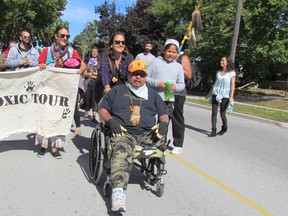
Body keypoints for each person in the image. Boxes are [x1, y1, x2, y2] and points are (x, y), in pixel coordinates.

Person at [98, 60, 169, 212]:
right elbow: (102, 109)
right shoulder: (117, 91)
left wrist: (163, 123)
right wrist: (111, 121)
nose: (138, 77)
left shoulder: (153, 95)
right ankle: (118, 192)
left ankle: (155, 172)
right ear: (128, 75)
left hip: (147, 133)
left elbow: (164, 114)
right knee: (122, 149)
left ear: (145, 77)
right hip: (123, 132)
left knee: (162, 142)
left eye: (141, 75)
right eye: (134, 74)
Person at [37, 26, 87, 158]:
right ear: (56, 36)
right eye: (62, 35)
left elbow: (83, 65)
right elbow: (39, 65)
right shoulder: (46, 51)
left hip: (63, 90)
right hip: (47, 89)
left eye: (67, 36)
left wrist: (80, 70)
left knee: (58, 118)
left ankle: (54, 147)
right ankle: (43, 144)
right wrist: (42, 65)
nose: (65, 38)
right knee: (45, 116)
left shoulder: (71, 51)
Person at [146, 39, 185, 147]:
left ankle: (161, 144)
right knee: (151, 121)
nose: (171, 54)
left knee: (164, 123)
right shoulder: (155, 62)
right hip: (154, 97)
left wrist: (175, 87)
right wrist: (157, 83)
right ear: (164, 51)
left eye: (174, 52)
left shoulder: (178, 67)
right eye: (169, 51)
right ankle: (149, 140)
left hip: (168, 99)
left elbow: (182, 85)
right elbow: (146, 78)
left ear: (177, 54)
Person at [205, 56, 236, 137]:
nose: (221, 61)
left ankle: (224, 128)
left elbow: (232, 85)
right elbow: (215, 83)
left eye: (223, 60)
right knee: (214, 112)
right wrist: (209, 94)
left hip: (225, 94)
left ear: (227, 62)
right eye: (221, 60)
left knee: (222, 113)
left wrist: (231, 96)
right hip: (216, 93)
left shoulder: (232, 73)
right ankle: (213, 130)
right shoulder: (218, 72)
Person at [170, 51, 193, 154]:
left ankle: (178, 144)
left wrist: (177, 65)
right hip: (165, 92)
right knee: (163, 117)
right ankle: (160, 142)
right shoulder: (164, 58)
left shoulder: (182, 58)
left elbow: (189, 75)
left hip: (178, 93)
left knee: (177, 118)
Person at [83, 46, 99, 122]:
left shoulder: (100, 61)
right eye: (93, 51)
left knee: (94, 99)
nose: (94, 52)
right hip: (88, 81)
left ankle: (94, 116)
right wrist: (86, 74)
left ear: (98, 53)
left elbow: (101, 72)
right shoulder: (87, 60)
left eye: (96, 51)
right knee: (87, 97)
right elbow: (84, 70)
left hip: (96, 82)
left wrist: (94, 76)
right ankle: (86, 113)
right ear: (91, 52)